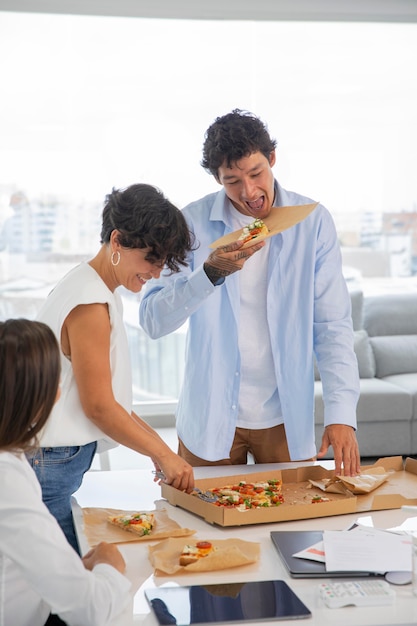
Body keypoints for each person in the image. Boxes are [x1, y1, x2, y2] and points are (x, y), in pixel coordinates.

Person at [139, 109, 361, 477]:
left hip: (285, 419)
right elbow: (152, 320)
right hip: (208, 418)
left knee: (297, 531)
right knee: (202, 532)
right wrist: (209, 274)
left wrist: (342, 414)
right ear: (217, 179)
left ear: (272, 158)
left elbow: (333, 326)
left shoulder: (312, 222)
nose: (249, 192)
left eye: (256, 173)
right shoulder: (190, 224)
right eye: (232, 181)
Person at [29, 183, 195, 554]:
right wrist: (164, 454)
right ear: (117, 241)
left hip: (52, 460)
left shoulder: (95, 287)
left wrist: (159, 450)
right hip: (50, 463)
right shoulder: (90, 303)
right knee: (60, 584)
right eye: (151, 259)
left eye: (162, 262)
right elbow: (100, 407)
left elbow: (114, 399)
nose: (155, 272)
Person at [0, 318, 131, 626]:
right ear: (40, 399)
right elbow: (91, 610)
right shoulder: (8, 479)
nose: (60, 394)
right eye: (57, 383)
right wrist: (110, 566)